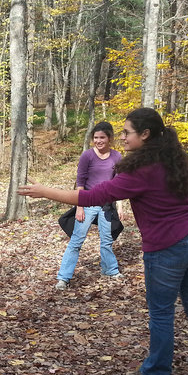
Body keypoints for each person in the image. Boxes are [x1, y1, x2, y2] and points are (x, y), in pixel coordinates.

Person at [17, 107, 188, 375]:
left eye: (127, 132)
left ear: (145, 134)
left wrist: (46, 192)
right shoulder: (174, 159)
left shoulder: (143, 169)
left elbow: (94, 196)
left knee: (162, 311)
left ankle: (157, 373)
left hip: (168, 245)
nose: (123, 137)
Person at [55, 121, 123, 290]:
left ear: (110, 138)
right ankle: (63, 277)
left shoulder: (117, 157)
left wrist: (120, 207)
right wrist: (79, 206)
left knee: (107, 241)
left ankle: (110, 270)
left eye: (102, 137)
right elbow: (80, 181)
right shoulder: (87, 156)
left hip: (107, 205)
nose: (98, 141)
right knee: (76, 241)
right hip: (88, 203)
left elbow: (119, 183)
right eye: (95, 138)